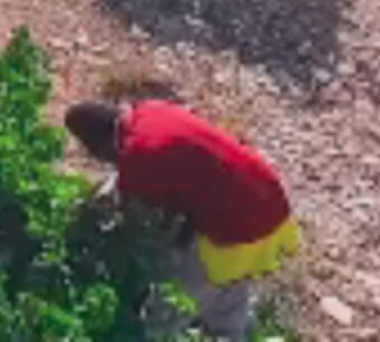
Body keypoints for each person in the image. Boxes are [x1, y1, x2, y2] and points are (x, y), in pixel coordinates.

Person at [64, 98, 300, 340]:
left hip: (236, 229)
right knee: (227, 291)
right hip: (269, 200)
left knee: (170, 307)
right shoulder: (150, 110)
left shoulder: (137, 159)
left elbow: (134, 225)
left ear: (99, 148)